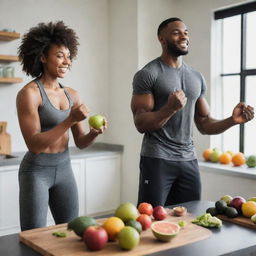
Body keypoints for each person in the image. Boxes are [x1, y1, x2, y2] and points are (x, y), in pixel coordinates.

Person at [131, 17, 254, 207]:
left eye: (186, 32)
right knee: (151, 218)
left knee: (191, 216)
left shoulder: (196, 77)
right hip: (157, 158)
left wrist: (232, 120)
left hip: (188, 160)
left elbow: (204, 123)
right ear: (161, 39)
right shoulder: (149, 74)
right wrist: (169, 109)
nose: (184, 36)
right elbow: (140, 123)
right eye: (176, 32)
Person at [16, 21, 107, 231]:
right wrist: (70, 119)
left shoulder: (72, 94)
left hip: (64, 167)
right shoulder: (29, 94)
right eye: (59, 56)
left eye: (68, 56)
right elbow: (34, 145)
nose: (67, 61)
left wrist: (93, 133)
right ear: (42, 57)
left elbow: (81, 142)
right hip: (36, 172)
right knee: (34, 236)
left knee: (72, 233)